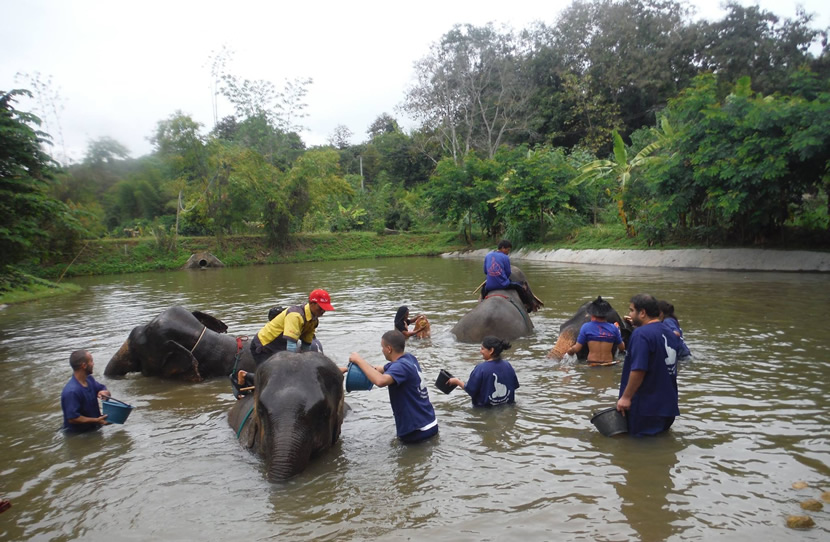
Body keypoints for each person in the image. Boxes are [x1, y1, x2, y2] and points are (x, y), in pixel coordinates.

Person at [348, 330, 438, 443]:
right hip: (429, 422)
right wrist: (356, 367)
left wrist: (358, 359)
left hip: (418, 430)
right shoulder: (408, 358)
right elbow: (379, 369)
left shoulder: (400, 367)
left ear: (389, 349)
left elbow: (380, 381)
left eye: (382, 347)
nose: (382, 350)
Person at [616, 294, 682, 437]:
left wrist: (626, 397)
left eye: (631, 310)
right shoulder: (671, 333)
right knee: (661, 448)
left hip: (645, 407)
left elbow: (639, 369)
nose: (629, 315)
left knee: (639, 449)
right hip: (668, 406)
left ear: (643, 313)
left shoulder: (641, 334)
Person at [249, 289, 334, 365]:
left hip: (280, 346)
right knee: (273, 376)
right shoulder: (295, 315)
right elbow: (291, 345)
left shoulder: (313, 320)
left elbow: (306, 345)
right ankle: (245, 376)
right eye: (320, 308)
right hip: (264, 345)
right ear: (312, 303)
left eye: (325, 309)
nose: (323, 311)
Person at [447, 336, 519, 407]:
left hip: (485, 410)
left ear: (491, 350)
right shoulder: (508, 365)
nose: (480, 351)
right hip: (506, 407)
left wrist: (457, 381)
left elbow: (470, 389)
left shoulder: (481, 368)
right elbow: (514, 386)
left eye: (482, 349)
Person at [565, 296, 625, 366]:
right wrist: (618, 333)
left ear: (592, 314)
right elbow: (622, 347)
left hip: (592, 365)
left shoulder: (586, 327)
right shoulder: (614, 328)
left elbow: (577, 348)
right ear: (607, 314)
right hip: (608, 365)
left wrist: (569, 352)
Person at [61, 350, 111, 433]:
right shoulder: (72, 392)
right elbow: (73, 418)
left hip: (94, 429)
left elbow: (102, 388)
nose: (93, 364)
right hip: (78, 435)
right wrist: (96, 420)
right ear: (84, 365)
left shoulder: (89, 380)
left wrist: (104, 392)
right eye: (91, 361)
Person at [481, 240, 537, 312]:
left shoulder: (488, 255)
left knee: (483, 290)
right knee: (519, 287)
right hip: (503, 285)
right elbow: (508, 273)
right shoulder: (505, 257)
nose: (508, 252)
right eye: (508, 250)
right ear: (503, 248)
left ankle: (482, 302)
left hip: (489, 286)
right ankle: (527, 305)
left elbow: (485, 271)